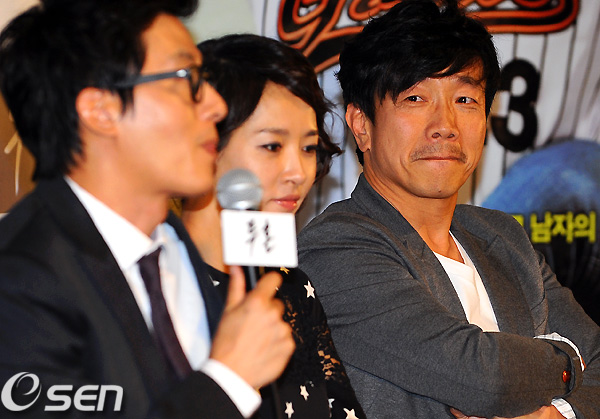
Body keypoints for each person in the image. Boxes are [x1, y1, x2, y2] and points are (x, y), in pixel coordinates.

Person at [297, 0, 600, 418]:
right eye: (415, 98)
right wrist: (568, 358)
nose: (445, 125)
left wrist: (557, 415)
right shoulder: (334, 247)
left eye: (464, 99)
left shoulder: (503, 236)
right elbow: (484, 379)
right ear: (361, 125)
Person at [0, 1, 295, 418]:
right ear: (101, 110)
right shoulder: (18, 278)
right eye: (187, 78)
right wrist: (229, 381)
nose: (216, 105)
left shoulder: (174, 245)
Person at [180, 34, 365, 419]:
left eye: (309, 147)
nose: (298, 172)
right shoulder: (156, 282)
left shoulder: (292, 285)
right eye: (272, 146)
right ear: (205, 143)